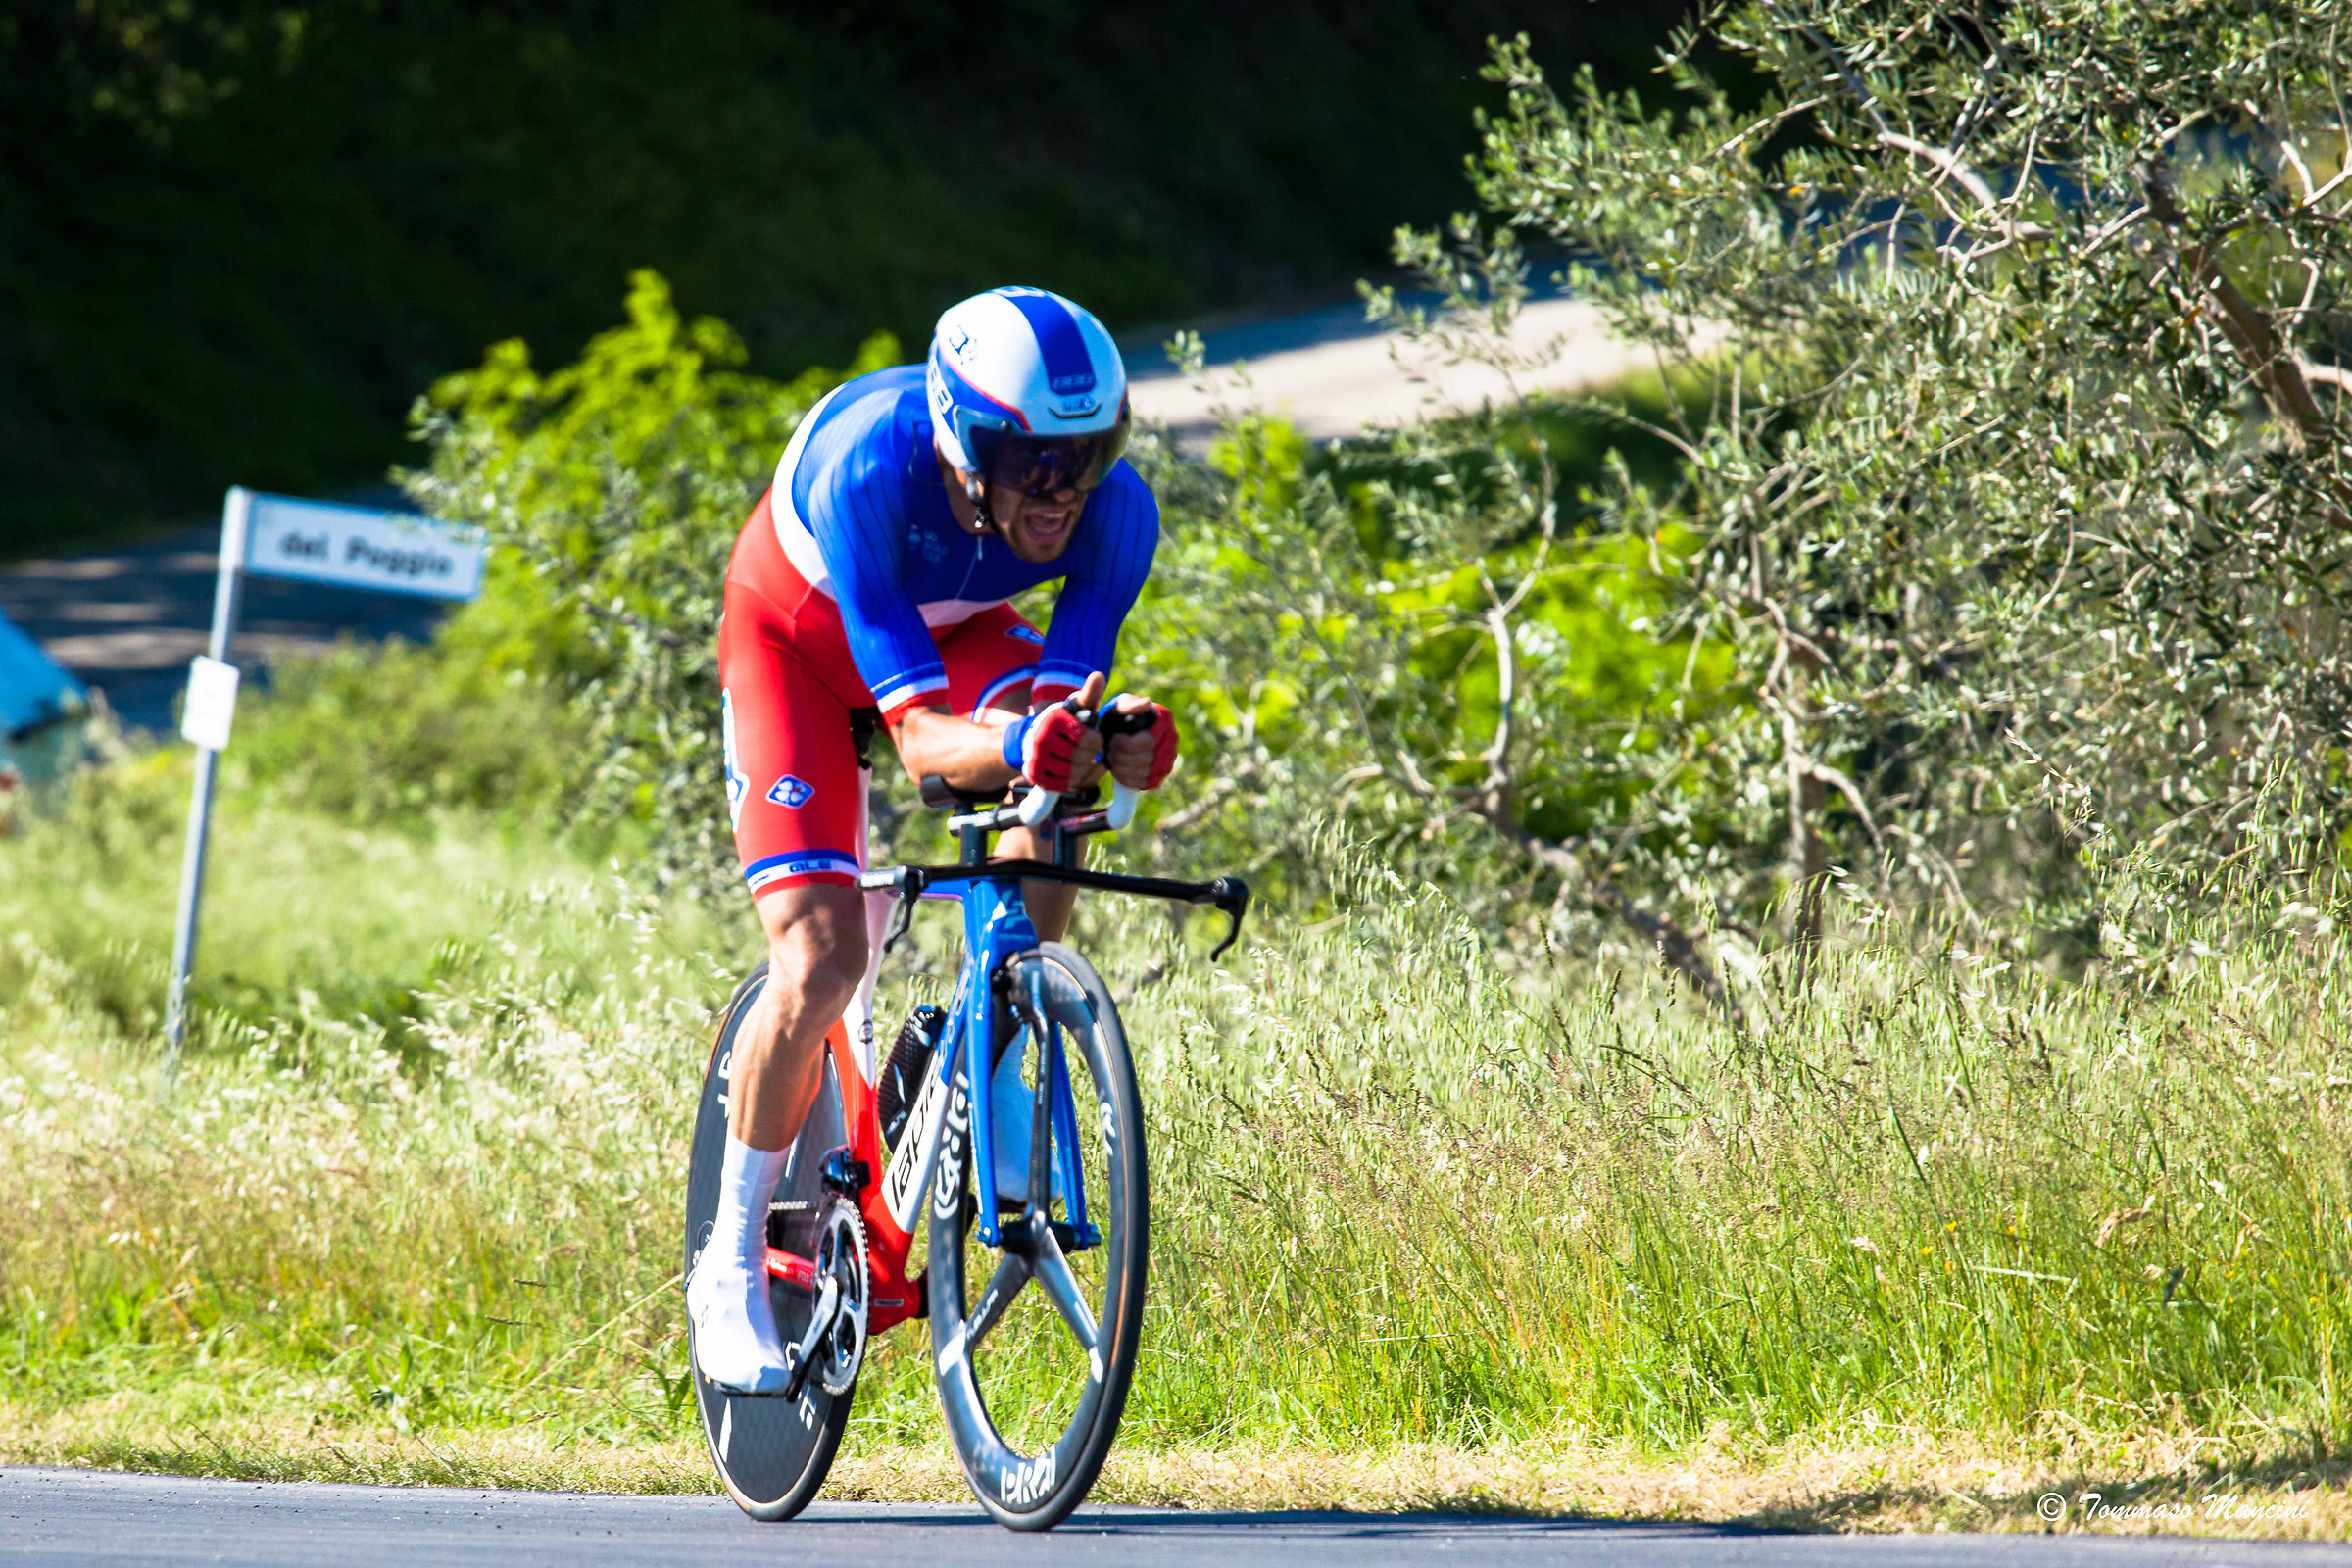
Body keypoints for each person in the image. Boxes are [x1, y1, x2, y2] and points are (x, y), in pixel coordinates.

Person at [689, 286, 1181, 1393]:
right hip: (798, 645)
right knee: (821, 958)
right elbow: (920, 745)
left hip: (955, 637)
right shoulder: (869, 470)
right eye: (1032, 460)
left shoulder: (1118, 512)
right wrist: (1022, 744)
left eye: (1088, 454)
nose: (1063, 489)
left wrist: (1107, 745)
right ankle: (728, 1262)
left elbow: (1055, 716)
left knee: (1058, 791)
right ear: (963, 441)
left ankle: (996, 1049)